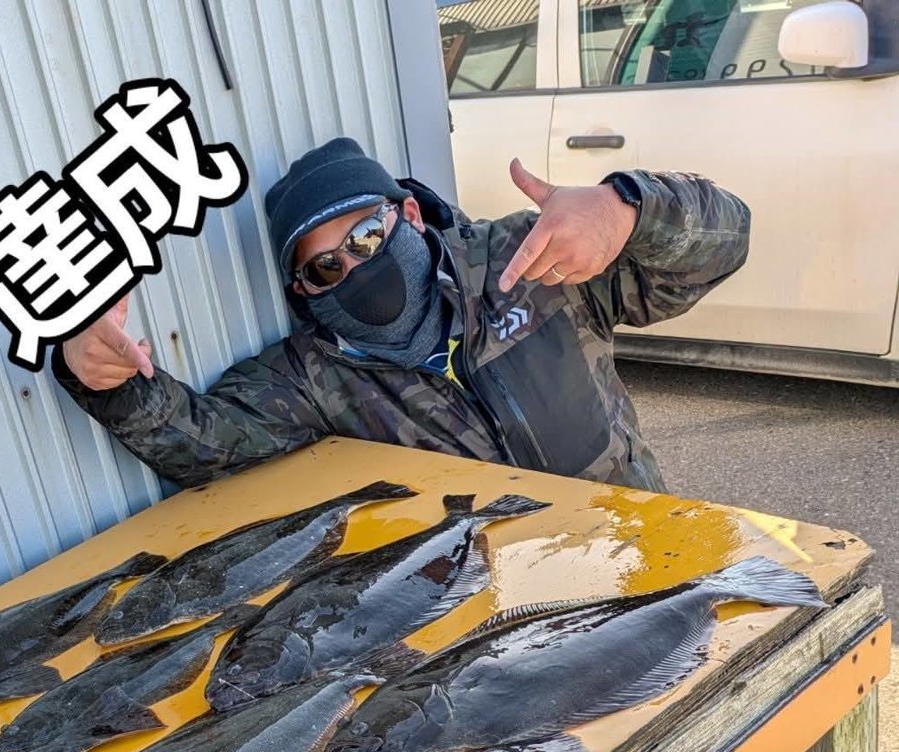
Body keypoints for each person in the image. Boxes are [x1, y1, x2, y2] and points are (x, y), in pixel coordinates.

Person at [52, 138, 751, 493]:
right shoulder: (313, 375)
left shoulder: (526, 260)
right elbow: (205, 444)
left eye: (365, 237)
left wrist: (628, 208)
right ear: (303, 289)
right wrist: (103, 378)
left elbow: (720, 249)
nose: (354, 269)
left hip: (643, 541)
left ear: (410, 214)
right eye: (325, 267)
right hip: (506, 620)